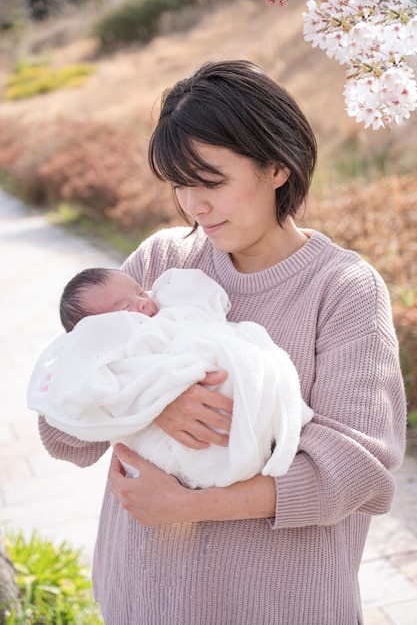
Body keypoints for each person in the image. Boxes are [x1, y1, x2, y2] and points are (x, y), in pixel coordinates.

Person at [37, 59, 407, 625]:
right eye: (179, 185)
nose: (193, 205)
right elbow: (60, 431)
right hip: (143, 599)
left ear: (278, 166)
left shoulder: (342, 290)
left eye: (211, 181)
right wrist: (149, 399)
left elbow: (357, 471)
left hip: (278, 607)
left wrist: (190, 506)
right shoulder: (159, 264)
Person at [28, 266, 312, 488]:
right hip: (160, 489)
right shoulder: (105, 346)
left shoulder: (172, 294)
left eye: (140, 292)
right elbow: (66, 415)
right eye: (125, 308)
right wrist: (151, 402)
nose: (141, 303)